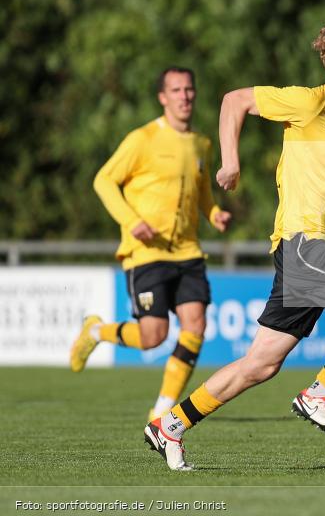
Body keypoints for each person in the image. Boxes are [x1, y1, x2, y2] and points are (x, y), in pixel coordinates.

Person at [143, 20, 325, 471]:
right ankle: (320, 390)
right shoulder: (308, 101)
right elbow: (235, 101)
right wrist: (230, 163)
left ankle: (170, 424)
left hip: (318, 248)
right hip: (303, 242)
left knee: (260, 365)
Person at [71, 66, 232, 421]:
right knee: (152, 337)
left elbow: (202, 192)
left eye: (189, 89)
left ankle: (162, 408)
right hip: (146, 252)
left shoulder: (201, 143)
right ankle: (96, 331)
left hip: (188, 251)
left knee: (196, 324)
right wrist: (132, 222)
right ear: (163, 97)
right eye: (176, 90)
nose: (184, 96)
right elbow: (103, 181)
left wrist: (214, 213)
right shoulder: (141, 139)